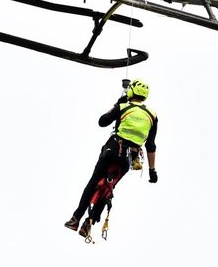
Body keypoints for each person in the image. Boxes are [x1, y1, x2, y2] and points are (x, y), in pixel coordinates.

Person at [64, 79, 158, 237]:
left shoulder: (123, 106)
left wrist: (117, 104)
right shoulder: (152, 116)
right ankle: (91, 221)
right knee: (108, 187)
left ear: (131, 91)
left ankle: (76, 218)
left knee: (94, 182)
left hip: (112, 150)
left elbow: (102, 121)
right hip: (129, 159)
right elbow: (151, 145)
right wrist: (152, 170)